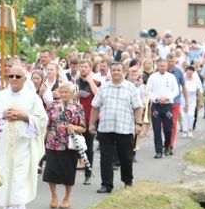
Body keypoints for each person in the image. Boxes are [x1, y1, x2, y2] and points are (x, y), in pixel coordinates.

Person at [0, 65, 48, 209]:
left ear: (24, 79)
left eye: (17, 76)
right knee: (5, 177)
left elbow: (42, 120)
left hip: (23, 146)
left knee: (19, 179)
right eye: (10, 76)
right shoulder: (0, 97)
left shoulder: (33, 98)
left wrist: (24, 117)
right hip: (3, 146)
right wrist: (1, 115)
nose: (13, 79)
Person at [89, 62, 144, 193]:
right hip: (105, 128)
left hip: (124, 129)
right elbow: (95, 106)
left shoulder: (130, 88)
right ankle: (106, 184)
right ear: (110, 71)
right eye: (113, 70)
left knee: (125, 157)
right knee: (105, 158)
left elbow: (138, 107)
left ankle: (127, 181)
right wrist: (91, 123)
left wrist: (138, 124)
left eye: (118, 70)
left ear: (123, 72)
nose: (116, 72)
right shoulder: (104, 88)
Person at [43, 82, 86, 209]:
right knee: (50, 170)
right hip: (53, 141)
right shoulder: (53, 105)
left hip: (69, 144)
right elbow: (48, 124)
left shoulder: (78, 107)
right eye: (61, 92)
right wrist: (42, 140)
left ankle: (67, 198)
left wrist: (74, 127)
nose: (63, 94)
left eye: (66, 92)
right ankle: (54, 196)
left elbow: (83, 128)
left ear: (72, 93)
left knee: (68, 171)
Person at [149, 59, 179, 158]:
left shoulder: (171, 77)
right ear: (157, 66)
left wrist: (167, 97)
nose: (163, 68)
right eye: (161, 66)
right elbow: (148, 91)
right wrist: (156, 98)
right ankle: (158, 150)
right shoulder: (152, 77)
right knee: (156, 129)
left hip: (167, 105)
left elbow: (176, 91)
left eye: (164, 66)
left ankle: (167, 146)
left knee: (168, 128)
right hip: (156, 105)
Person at [75, 59, 99, 184]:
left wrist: (90, 82)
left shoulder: (96, 82)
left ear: (90, 68)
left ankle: (88, 175)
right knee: (73, 147)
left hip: (90, 119)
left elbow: (98, 95)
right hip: (76, 119)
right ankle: (70, 174)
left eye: (86, 67)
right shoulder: (75, 82)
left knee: (89, 148)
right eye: (81, 66)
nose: (83, 69)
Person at [181, 66, 203, 138]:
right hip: (183, 100)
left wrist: (200, 101)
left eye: (191, 70)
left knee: (190, 115)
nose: (190, 72)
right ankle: (184, 130)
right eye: (188, 70)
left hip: (192, 100)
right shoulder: (182, 80)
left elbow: (199, 91)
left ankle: (190, 129)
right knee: (184, 116)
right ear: (186, 71)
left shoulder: (196, 80)